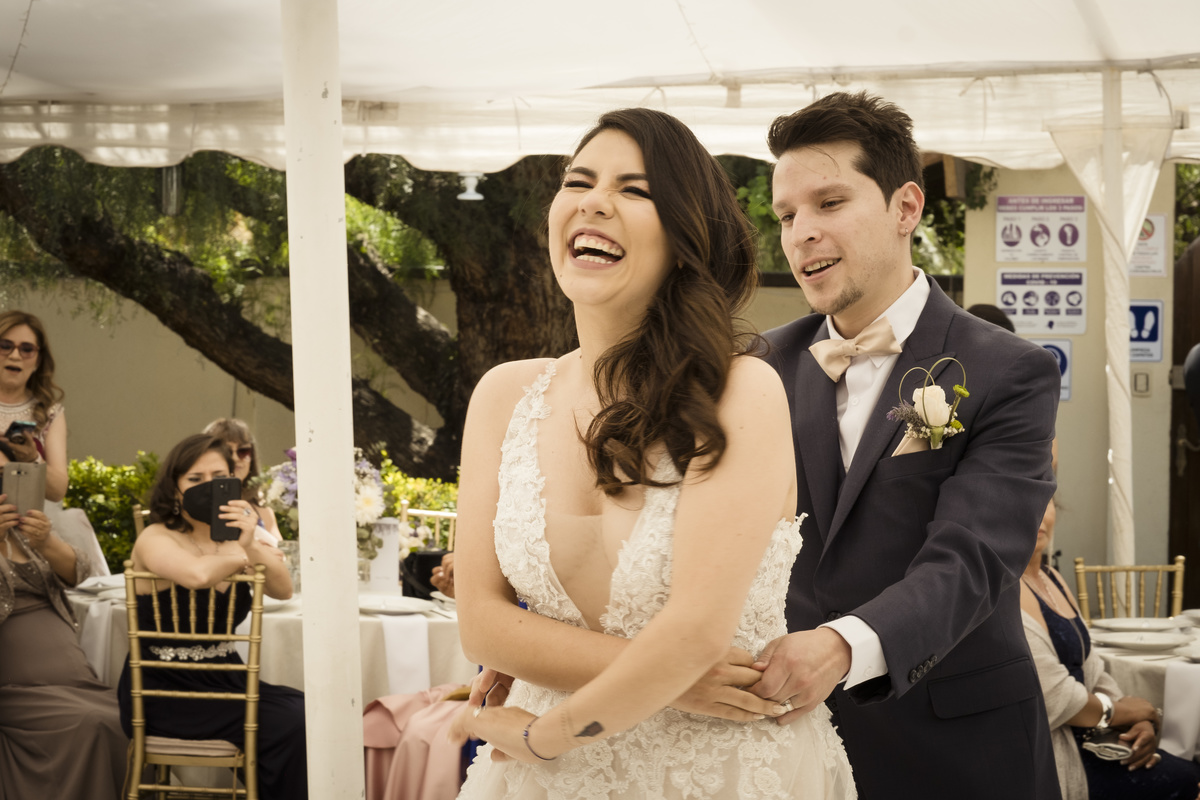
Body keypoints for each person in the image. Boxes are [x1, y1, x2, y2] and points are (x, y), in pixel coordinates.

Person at [448, 108, 856, 798]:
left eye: (634, 191)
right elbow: (482, 623)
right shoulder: (502, 396)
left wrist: (542, 735)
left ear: (682, 237)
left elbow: (695, 631)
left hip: (722, 771)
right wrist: (669, 678)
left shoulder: (742, 391)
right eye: (578, 181)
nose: (595, 201)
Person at [758, 91, 1062, 799]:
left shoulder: (1010, 370)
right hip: (787, 747)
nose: (800, 232)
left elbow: (975, 558)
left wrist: (841, 648)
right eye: (786, 215)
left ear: (906, 209)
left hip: (958, 751)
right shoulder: (756, 367)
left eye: (828, 204)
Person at [116, 433, 306, 800]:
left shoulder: (239, 539)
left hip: (226, 680)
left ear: (232, 483)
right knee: (292, 722)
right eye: (194, 479)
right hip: (164, 688)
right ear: (174, 487)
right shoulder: (157, 537)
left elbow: (283, 589)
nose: (207, 487)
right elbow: (197, 575)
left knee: (308, 712)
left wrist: (250, 541)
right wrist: (241, 554)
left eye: (217, 477)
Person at [1021, 497, 1200, 800]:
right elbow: (1053, 697)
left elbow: (1094, 669)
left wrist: (1135, 721)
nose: (1038, 515)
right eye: (1023, 503)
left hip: (1099, 742)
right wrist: (1119, 712)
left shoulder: (1053, 579)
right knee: (1189, 778)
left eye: (1047, 502)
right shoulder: (1003, 591)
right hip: (1056, 757)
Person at [0, 492, 127, 798]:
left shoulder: (23, 528)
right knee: (89, 723)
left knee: (126, 717)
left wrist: (45, 542)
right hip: (16, 688)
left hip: (73, 681)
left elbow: (81, 573)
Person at [0, 310, 68, 501]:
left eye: (27, 349)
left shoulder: (50, 413)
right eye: (5, 346)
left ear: (38, 360)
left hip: (31, 525)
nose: (15, 356)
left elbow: (58, 493)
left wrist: (32, 459)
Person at [203, 417, 283, 543]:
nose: (235, 458)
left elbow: (282, 555)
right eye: (226, 451)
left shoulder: (263, 510)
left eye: (243, 451)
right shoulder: (195, 507)